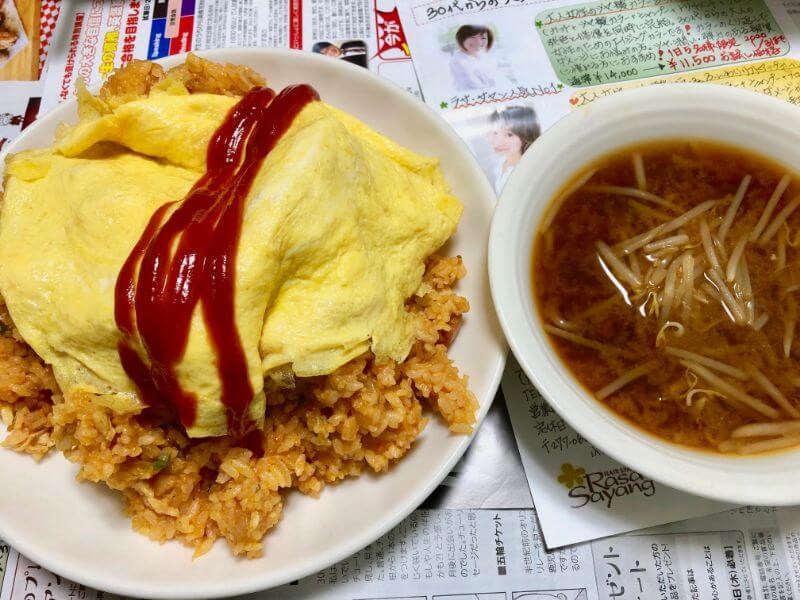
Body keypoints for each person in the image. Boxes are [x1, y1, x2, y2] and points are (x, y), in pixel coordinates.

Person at [487, 105, 540, 195]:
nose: (498, 142)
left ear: (526, 136)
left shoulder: (526, 172)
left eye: (509, 134)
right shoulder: (500, 164)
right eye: (495, 132)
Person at [449, 25, 496, 91]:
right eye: (472, 37)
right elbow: (474, 87)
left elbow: (493, 79)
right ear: (461, 39)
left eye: (483, 38)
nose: (478, 42)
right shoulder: (458, 61)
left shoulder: (481, 55)